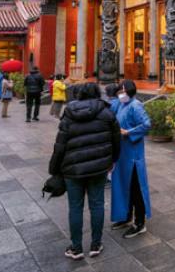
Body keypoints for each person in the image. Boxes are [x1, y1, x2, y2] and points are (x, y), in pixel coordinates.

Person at [48, 83, 121, 260]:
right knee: (97, 204)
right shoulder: (107, 113)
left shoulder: (68, 114)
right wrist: (112, 160)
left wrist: (54, 168)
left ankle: (76, 247)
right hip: (99, 167)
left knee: (75, 207)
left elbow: (60, 145)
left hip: (72, 169)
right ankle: (96, 244)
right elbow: (116, 140)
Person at [111, 80, 152, 239]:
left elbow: (146, 124)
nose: (120, 94)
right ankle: (126, 216)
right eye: (118, 92)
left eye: (122, 91)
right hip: (122, 153)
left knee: (136, 188)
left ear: (128, 91)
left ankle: (139, 222)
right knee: (123, 185)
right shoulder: (121, 105)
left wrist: (129, 132)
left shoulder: (136, 105)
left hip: (133, 155)